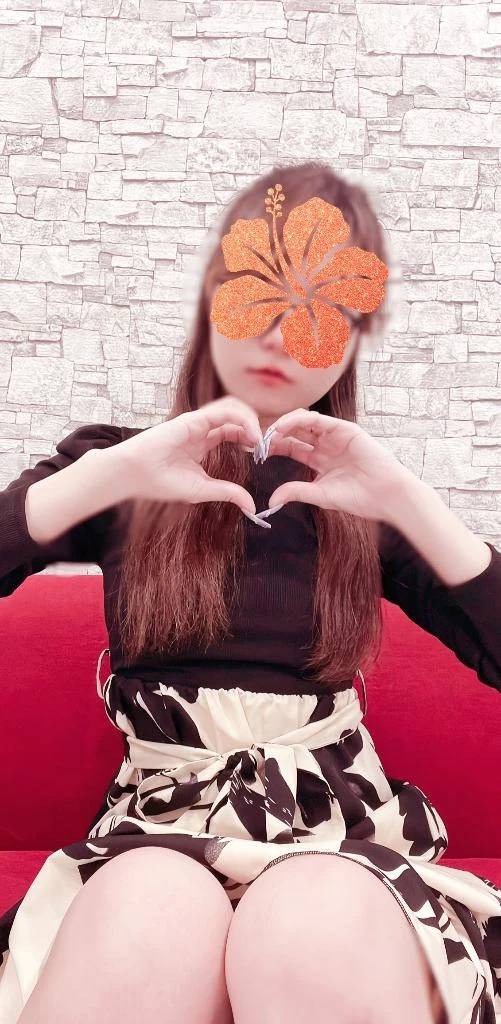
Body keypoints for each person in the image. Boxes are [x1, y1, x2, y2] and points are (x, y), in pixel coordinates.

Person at [0, 161, 500, 1024]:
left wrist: (409, 504)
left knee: (308, 920)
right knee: (153, 910)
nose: (280, 334)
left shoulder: (359, 500)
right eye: (258, 288)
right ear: (210, 297)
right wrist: (108, 475)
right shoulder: (119, 468)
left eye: (325, 308)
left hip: (336, 839)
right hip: (158, 829)